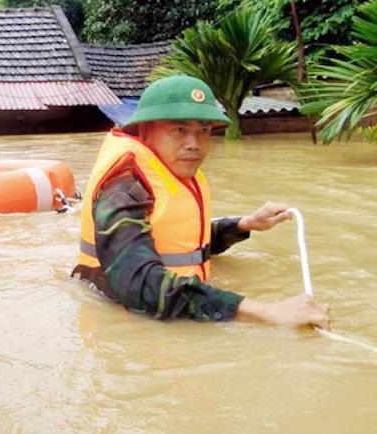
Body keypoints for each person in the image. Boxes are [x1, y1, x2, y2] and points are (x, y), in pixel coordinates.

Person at [73, 75, 330, 329]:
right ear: (144, 130)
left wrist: (244, 225)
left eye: (203, 131)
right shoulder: (124, 188)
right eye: (179, 130)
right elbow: (139, 285)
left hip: (177, 310)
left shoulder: (174, 170)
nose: (194, 144)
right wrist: (267, 312)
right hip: (125, 320)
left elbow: (182, 244)